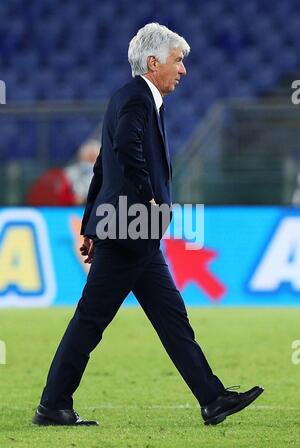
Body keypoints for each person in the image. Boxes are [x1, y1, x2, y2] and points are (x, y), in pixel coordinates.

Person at [33, 23, 263, 427]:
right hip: (130, 230)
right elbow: (124, 149)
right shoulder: (140, 100)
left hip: (128, 229)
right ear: (153, 62)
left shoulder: (127, 97)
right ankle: (53, 404)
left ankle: (212, 398)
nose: (184, 70)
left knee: (168, 316)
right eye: (178, 60)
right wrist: (150, 199)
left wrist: (90, 225)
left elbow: (103, 166)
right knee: (94, 320)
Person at [64, 139, 101, 205]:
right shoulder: (70, 173)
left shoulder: (106, 174)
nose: (91, 158)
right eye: (89, 156)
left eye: (93, 156)